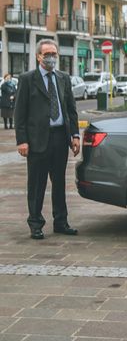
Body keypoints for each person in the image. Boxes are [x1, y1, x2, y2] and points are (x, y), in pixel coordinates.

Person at [14, 40, 80, 240]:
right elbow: (20, 113)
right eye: (47, 53)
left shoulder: (63, 78)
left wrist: (75, 135)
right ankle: (35, 223)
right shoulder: (27, 79)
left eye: (54, 53)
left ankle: (61, 221)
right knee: (37, 184)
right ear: (38, 56)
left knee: (59, 183)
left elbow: (71, 109)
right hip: (37, 141)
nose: (51, 57)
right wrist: (22, 140)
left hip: (60, 137)